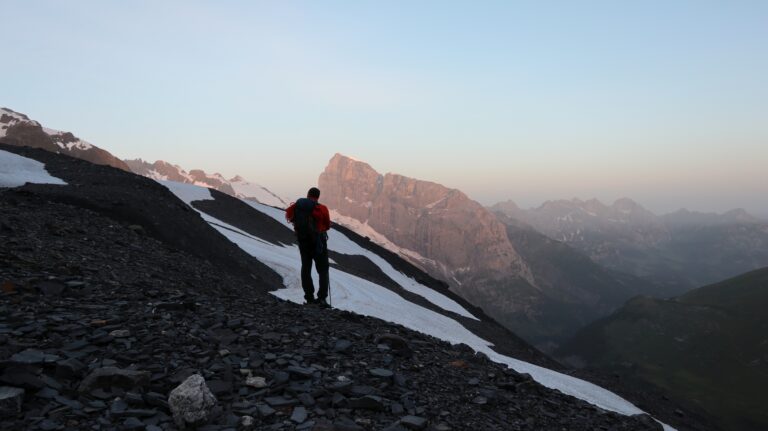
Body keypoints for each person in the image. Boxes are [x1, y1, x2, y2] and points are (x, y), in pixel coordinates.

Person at [285, 187, 331, 307]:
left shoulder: (297, 206)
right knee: (323, 270)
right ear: (318, 196)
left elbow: (289, 216)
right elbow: (327, 225)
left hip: (303, 241)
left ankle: (309, 298)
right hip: (319, 242)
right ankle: (321, 298)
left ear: (307, 195)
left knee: (306, 268)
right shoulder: (322, 208)